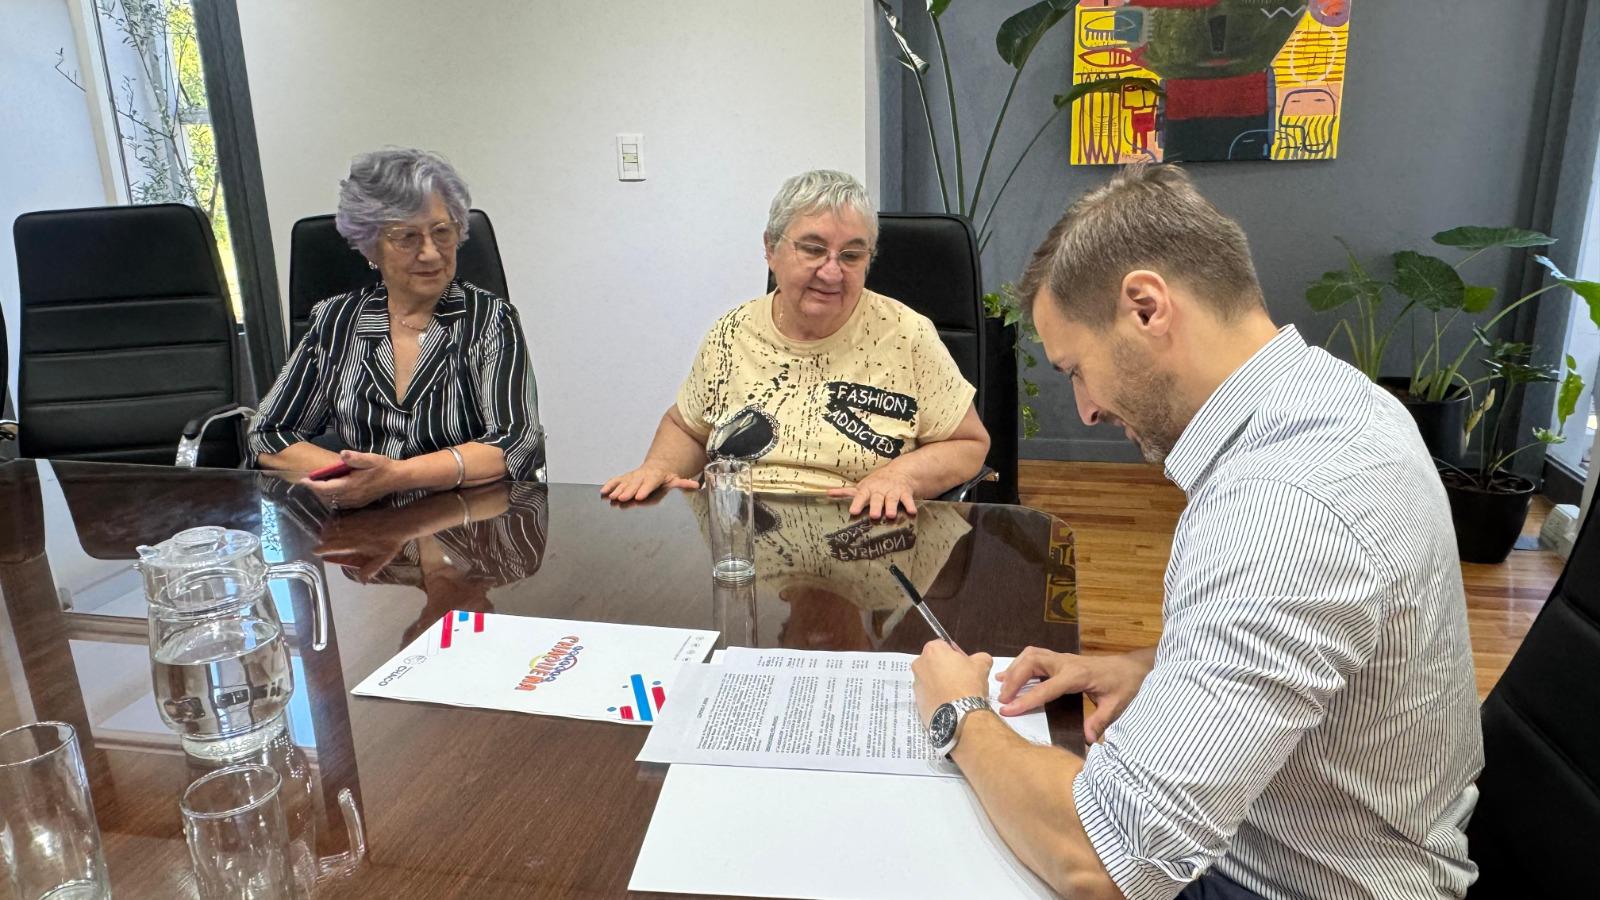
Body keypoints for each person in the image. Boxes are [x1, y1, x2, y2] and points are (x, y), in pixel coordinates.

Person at [910, 165, 1482, 900]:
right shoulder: (1338, 403)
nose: (1084, 409)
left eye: (1076, 369)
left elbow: (1106, 860)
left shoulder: (1283, 507)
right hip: (1317, 833)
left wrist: (961, 716)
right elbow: (1319, 636)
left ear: (1146, 307)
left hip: (1287, 882)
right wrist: (1161, 664)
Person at [600, 169, 989, 519]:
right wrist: (656, 468)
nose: (832, 271)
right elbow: (686, 428)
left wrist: (899, 476)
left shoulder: (907, 335)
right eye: (813, 249)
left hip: (861, 539)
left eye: (852, 255)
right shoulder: (730, 333)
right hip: (740, 546)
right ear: (771, 249)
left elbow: (969, 444)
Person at [250, 148, 543, 509]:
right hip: (366, 530)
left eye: (442, 232)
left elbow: (514, 441)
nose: (432, 253)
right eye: (407, 237)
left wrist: (395, 477)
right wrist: (353, 478)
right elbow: (270, 434)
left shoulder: (490, 319)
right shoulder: (335, 321)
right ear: (371, 246)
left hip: (467, 527)